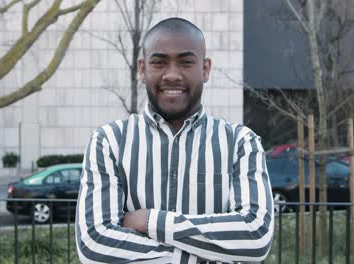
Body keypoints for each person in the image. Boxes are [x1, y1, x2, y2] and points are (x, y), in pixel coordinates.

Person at [76, 17, 274, 263]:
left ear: (205, 69)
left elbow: (255, 236)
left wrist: (150, 221)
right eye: (159, 63)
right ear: (141, 69)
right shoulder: (109, 143)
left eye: (186, 62)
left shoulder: (240, 144)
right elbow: (95, 244)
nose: (172, 75)